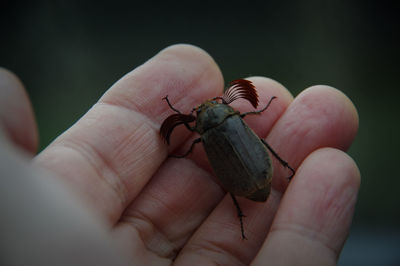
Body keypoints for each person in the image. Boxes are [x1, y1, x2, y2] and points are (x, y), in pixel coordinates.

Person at [0, 44, 360, 265]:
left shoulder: (203, 136)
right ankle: (282, 170)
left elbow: (193, 142)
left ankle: (257, 193)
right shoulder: (233, 120)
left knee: (234, 171)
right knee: (259, 148)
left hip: (250, 183)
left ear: (200, 124)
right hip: (257, 175)